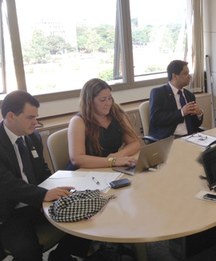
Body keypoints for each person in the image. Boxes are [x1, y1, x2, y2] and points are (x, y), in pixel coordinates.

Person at [0, 90, 90, 261]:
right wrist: (43, 195)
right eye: (30, 117)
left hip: (37, 201)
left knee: (84, 216)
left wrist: (54, 189)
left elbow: (42, 171)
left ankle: (61, 256)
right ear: (11, 116)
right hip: (10, 211)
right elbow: (6, 184)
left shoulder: (32, 137)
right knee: (27, 250)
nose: (36, 123)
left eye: (36, 117)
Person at [67, 78, 140, 170]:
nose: (108, 103)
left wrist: (119, 155)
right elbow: (77, 159)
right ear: (89, 102)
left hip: (108, 169)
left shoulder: (117, 113)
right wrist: (112, 161)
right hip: (83, 172)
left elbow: (134, 143)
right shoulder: (78, 121)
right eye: (102, 100)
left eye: (110, 98)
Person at [149, 60, 203, 140]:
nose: (189, 76)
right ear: (174, 76)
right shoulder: (158, 93)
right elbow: (156, 119)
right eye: (185, 73)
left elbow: (196, 125)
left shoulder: (189, 95)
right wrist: (181, 112)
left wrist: (199, 114)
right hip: (171, 138)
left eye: (189, 73)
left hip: (192, 137)